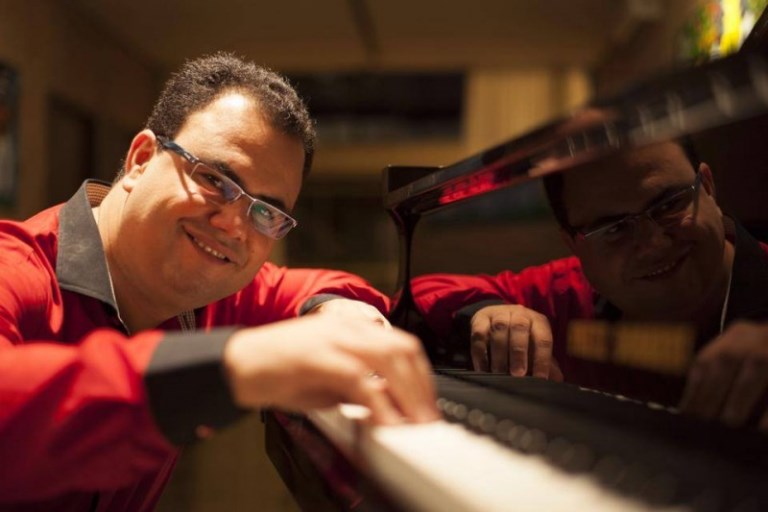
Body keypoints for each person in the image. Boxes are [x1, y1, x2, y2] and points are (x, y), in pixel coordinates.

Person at [0, 52, 438, 511]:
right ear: (141, 159)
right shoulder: (18, 270)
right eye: (214, 179)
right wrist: (236, 364)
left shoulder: (203, 293)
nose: (233, 226)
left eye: (265, 211)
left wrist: (339, 309)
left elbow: (308, 286)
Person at [411, 132, 768, 428]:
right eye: (613, 228)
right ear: (573, 245)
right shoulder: (568, 292)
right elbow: (422, 293)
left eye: (670, 204)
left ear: (708, 187)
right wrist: (486, 310)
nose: (653, 244)